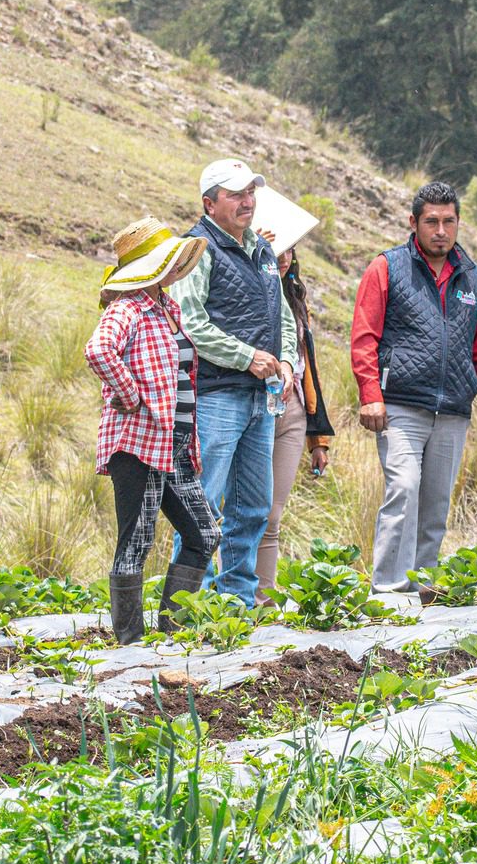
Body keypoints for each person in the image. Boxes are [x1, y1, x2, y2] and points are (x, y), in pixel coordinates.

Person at [351, 180, 477, 592]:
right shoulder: (386, 267)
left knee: (437, 504)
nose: (440, 230)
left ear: (458, 223)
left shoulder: (471, 278)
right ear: (414, 223)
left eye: (448, 221)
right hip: (400, 405)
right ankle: (388, 591)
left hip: (454, 408)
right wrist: (370, 395)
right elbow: (364, 338)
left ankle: (421, 585)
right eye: (431, 222)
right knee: (403, 489)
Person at [84, 218, 222, 644]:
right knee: (137, 541)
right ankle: (130, 641)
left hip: (174, 444)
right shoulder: (127, 308)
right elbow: (98, 350)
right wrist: (129, 396)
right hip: (140, 444)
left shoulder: (167, 309)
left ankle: (173, 629)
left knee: (204, 532)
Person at [173, 158, 300, 603]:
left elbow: (282, 316)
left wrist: (286, 363)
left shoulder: (264, 251)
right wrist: (247, 357)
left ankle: (238, 599)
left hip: (260, 399)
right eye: (236, 194)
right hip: (214, 396)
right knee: (202, 504)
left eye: (251, 192)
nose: (248, 202)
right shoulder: (195, 250)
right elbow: (191, 323)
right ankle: (192, 602)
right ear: (209, 203)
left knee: (253, 506)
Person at [256, 245, 336, 596]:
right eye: (277, 249)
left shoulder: (297, 298)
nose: (284, 257)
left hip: (296, 412)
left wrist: (319, 438)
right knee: (245, 512)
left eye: (290, 250)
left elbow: (310, 371)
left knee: (273, 515)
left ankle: (264, 600)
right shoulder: (252, 286)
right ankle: (229, 597)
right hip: (256, 404)